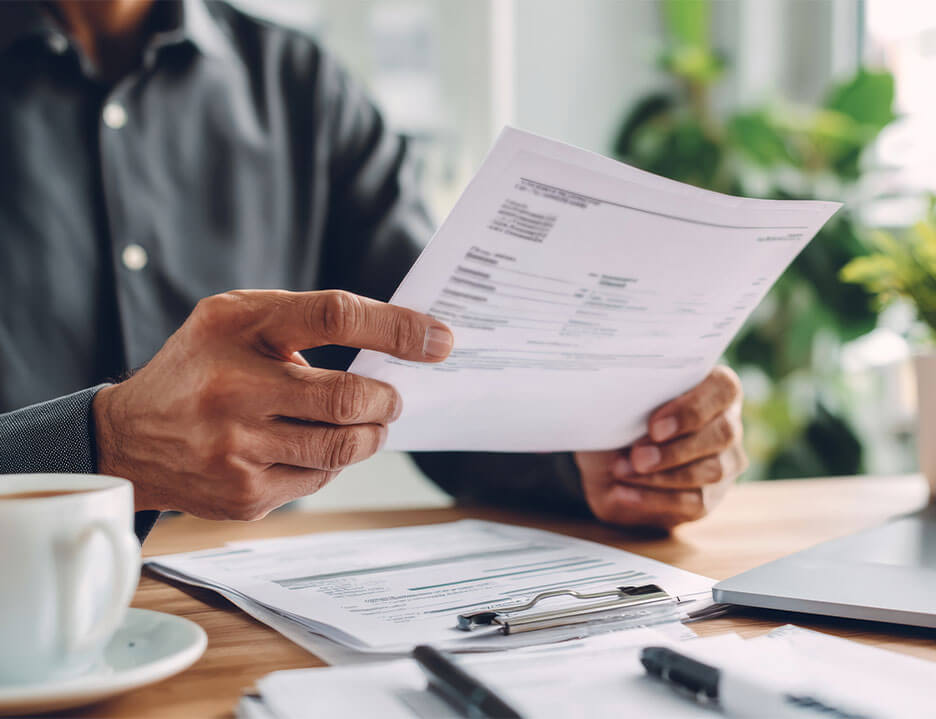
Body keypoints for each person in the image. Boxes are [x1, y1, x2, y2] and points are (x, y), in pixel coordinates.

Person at [0, 0, 748, 540]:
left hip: (248, 616)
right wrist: (101, 445)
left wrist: (599, 458)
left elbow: (432, 361)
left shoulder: (300, 87)